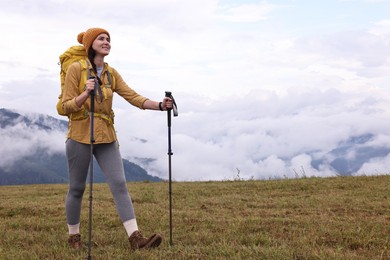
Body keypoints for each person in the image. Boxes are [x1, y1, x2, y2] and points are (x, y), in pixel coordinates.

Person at [61, 27, 172, 250]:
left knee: (120, 184)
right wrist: (85, 93)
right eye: (101, 39)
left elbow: (133, 97)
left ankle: (136, 238)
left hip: (107, 135)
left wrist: (160, 106)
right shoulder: (75, 69)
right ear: (91, 44)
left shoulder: (111, 73)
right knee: (77, 188)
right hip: (80, 135)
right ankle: (74, 238)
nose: (106, 42)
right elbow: (64, 107)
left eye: (108, 39)